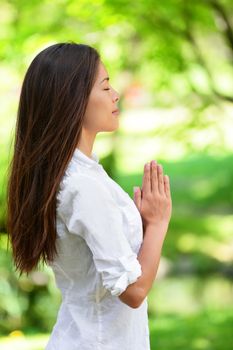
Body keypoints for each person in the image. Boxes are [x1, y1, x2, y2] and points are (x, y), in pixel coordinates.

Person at [6, 42, 172, 350]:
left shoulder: (77, 174)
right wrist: (159, 223)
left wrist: (143, 225)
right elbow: (133, 292)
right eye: (105, 86)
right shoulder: (83, 185)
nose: (116, 94)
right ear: (74, 99)